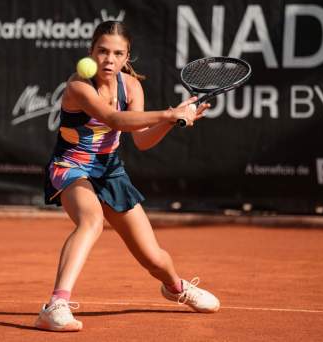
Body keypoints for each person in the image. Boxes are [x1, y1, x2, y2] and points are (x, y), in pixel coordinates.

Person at [35, 20, 220, 332]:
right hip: (71, 166)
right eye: (102, 51)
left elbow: (143, 140)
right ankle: (55, 305)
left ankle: (176, 287)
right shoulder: (78, 86)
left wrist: (170, 122)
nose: (109, 59)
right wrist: (169, 113)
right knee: (91, 220)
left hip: (110, 171)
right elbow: (114, 119)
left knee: (154, 259)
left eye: (117, 53)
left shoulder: (131, 87)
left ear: (127, 57)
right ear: (91, 52)